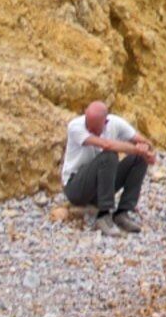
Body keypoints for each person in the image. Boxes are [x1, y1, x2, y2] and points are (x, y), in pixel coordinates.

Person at [61, 98, 154, 232]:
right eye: (88, 126)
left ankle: (122, 212)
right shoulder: (75, 126)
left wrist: (146, 150)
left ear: (105, 122)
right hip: (76, 187)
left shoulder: (115, 123)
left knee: (139, 159)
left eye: (93, 128)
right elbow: (106, 145)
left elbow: (141, 140)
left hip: (101, 186)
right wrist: (136, 149)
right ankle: (104, 214)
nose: (89, 130)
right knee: (109, 156)